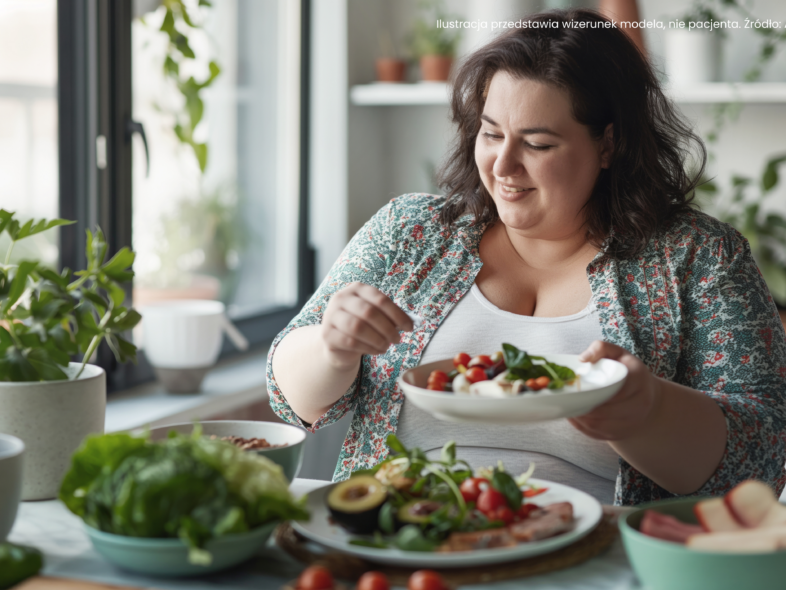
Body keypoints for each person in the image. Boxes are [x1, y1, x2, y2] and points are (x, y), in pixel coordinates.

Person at [266, 8, 786, 505]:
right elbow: (288, 397)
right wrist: (333, 348)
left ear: (609, 144)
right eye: (491, 134)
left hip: (591, 554)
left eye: (537, 144)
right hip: (394, 539)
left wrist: (648, 411)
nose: (503, 165)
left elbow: (764, 453)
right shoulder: (411, 231)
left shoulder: (698, 256)